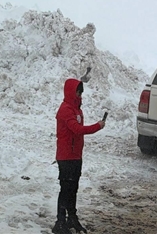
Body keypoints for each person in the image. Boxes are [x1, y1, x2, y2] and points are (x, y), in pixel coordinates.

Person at [53, 78, 105, 234]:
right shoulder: (66, 110)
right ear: (71, 92)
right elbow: (77, 129)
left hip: (76, 156)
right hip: (66, 157)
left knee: (73, 189)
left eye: (81, 92)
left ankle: (72, 218)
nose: (79, 95)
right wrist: (97, 126)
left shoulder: (77, 110)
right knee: (66, 189)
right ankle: (60, 222)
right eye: (77, 92)